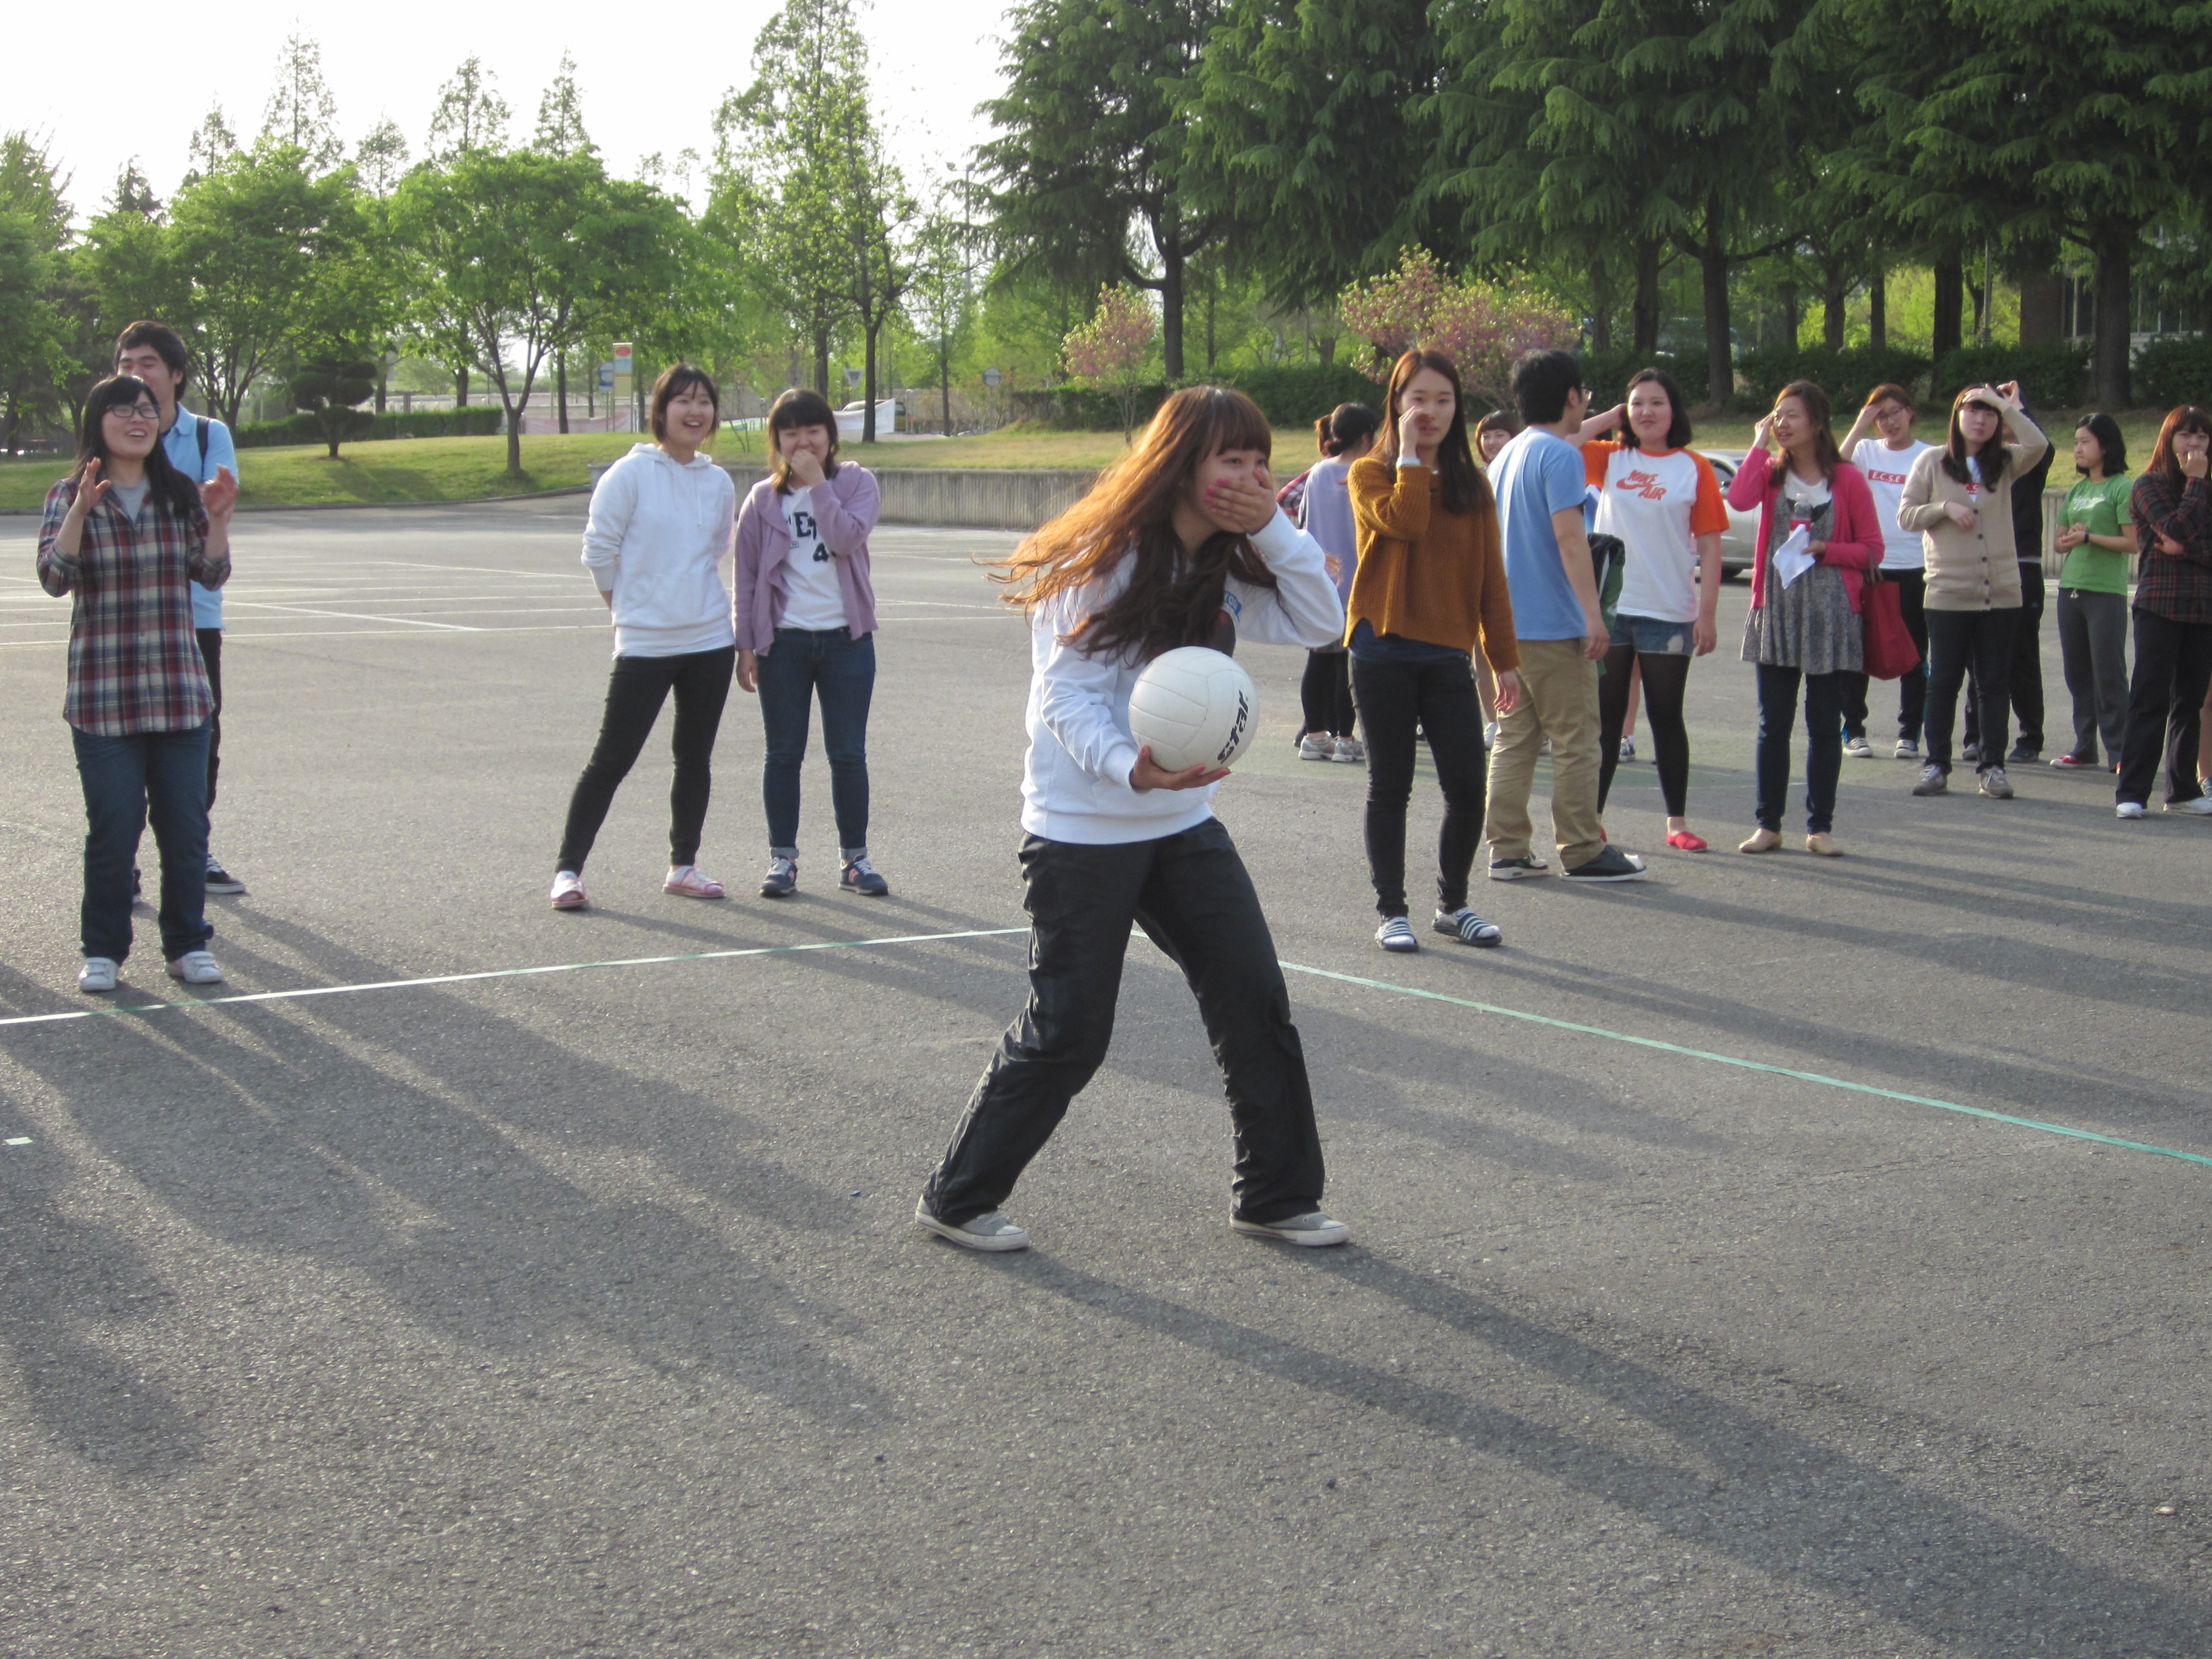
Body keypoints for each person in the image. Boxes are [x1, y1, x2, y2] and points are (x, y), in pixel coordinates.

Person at [915, 387, 1348, 1252]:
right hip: (1082, 830)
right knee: (1071, 1030)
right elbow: (1064, 697)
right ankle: (958, 1197)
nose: (1250, 476)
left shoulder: (1230, 559)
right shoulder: (1102, 559)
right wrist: (1129, 767)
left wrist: (1274, 527)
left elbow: (1323, 622)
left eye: (1261, 462)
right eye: (1230, 459)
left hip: (1181, 824)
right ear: (1180, 465)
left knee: (1254, 998)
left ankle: (1275, 1195)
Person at [38, 376, 238, 991]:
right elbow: (54, 577)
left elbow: (210, 573)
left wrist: (218, 520)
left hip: (179, 693)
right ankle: (103, 950)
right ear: (97, 421)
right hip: (104, 698)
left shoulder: (178, 493)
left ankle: (187, 944)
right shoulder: (69, 494)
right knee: (114, 830)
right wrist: (80, 512)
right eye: (123, 409)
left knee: (185, 831)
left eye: (147, 409)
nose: (138, 418)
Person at [1346, 351, 1521, 952]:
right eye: (1418, 398)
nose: (1431, 411)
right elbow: (1406, 521)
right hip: (1381, 650)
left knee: (1468, 788)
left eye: (1444, 400)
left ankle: (1453, 905)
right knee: (1390, 787)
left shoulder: (1474, 486)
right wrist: (1409, 460)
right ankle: (1392, 911)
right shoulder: (1370, 473)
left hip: (1447, 654)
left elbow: (1491, 579)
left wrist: (1504, 659)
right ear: (1397, 404)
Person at [550, 366, 738, 911]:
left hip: (709, 639)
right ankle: (568, 871)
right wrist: (626, 606)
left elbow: (714, 551)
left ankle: (684, 866)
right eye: (683, 401)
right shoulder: (628, 475)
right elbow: (598, 551)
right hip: (646, 642)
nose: (695, 411)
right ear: (661, 410)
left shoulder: (718, 482)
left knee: (694, 758)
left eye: (704, 402)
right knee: (612, 758)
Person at [1485, 351, 1648, 881]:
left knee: (1515, 738)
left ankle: (1507, 849)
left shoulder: (1507, 456)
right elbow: (1570, 538)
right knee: (1577, 740)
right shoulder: (1559, 456)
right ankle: (1581, 848)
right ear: (1573, 396)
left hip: (1509, 623)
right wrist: (1592, 615)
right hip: (1555, 623)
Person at [733, 388, 888, 898]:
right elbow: (746, 576)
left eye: (813, 431)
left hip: (847, 641)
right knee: (783, 754)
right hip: (784, 643)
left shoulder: (857, 483)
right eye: (791, 433)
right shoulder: (763, 500)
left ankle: (855, 860)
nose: (803, 442)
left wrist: (819, 485)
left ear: (830, 436)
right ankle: (783, 860)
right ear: (776, 441)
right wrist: (746, 644)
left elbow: (845, 539)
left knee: (848, 754)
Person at [114, 322, 245, 895]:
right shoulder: (113, 431)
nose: (135, 374)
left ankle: (195, 849)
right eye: (125, 364)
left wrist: (191, 501)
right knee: (125, 743)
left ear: (175, 374)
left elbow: (216, 504)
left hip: (195, 615)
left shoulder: (208, 433)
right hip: (126, 614)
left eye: (147, 363)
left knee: (199, 740)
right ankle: (123, 857)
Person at [1730, 380, 1884, 855]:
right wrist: (1758, 443)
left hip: (1831, 614)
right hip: (1777, 611)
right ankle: (1768, 825)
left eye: (1792, 415)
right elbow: (1739, 500)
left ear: (1817, 423)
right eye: (1777, 415)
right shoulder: (1770, 474)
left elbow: (1872, 549)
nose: (1782, 423)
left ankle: (1820, 827)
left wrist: (1826, 549)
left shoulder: (1848, 479)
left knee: (1823, 726)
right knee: (1773, 724)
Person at [1583, 368, 1729, 852]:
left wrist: (1707, 615)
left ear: (1674, 410)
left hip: (1669, 610)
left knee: (1667, 715)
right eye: (1637, 403)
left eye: (1657, 402)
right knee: (1605, 719)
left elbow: (1710, 547)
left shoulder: (1694, 467)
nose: (1646, 412)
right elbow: (1559, 442)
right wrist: (1609, 418)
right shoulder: (1610, 457)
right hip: (1612, 609)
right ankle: (1591, 820)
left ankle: (1677, 823)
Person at [1897, 383, 2049, 801]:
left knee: (1994, 682)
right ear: (1957, 416)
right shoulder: (1933, 461)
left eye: (1989, 413)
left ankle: (1992, 767)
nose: (1981, 420)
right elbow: (1906, 514)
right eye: (1973, 411)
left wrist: (2007, 405)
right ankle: (1936, 764)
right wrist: (1944, 508)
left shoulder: (2006, 461)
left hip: (2001, 591)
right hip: (1947, 591)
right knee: (1943, 682)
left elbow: (2039, 444)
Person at [2114, 405, 2212, 819]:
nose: (2195, 444)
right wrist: (2195, 483)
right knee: (2149, 698)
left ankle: (2182, 791)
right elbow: (2174, 529)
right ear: (2168, 440)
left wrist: (2185, 548)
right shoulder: (2149, 484)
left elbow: (2181, 541)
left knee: (2190, 701)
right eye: (2186, 435)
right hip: (2160, 604)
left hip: (2203, 608)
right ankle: (2132, 792)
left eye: (2203, 436)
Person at [1839, 383, 1937, 759]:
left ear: (1910, 412)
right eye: (1880, 416)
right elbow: (1836, 467)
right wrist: (1860, 423)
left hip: (1916, 566)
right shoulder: (1865, 450)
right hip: (1870, 566)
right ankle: (1853, 730)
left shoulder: (1929, 455)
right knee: (1858, 650)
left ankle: (1909, 733)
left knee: (1913, 652)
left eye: (1895, 412)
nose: (1890, 421)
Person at [1961, 388, 2056, 763]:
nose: (1998, 423)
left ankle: (2030, 736)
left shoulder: (2027, 464)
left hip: (2022, 566)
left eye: (2001, 416)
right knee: (1978, 658)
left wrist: (2016, 406)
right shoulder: (1976, 465)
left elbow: (2043, 446)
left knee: (2022, 656)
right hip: (1978, 567)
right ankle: (1976, 736)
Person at [1294, 401, 1378, 765]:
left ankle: (1314, 736)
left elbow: (1304, 520)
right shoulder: (1366, 472)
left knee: (1319, 661)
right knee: (1348, 665)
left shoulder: (1317, 472)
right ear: (1366, 437)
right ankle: (1346, 738)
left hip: (1320, 581)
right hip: (1357, 581)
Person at [2049, 414, 2133, 772]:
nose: (2078, 449)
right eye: (2076, 442)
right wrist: (2073, 537)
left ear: (2106, 445)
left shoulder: (2122, 487)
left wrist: (2089, 537)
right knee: (2078, 673)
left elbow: (2133, 543)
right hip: (2071, 589)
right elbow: (2058, 544)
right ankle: (2085, 747)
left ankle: (2121, 752)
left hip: (2105, 592)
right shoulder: (2077, 490)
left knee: (2108, 674)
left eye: (2085, 441)